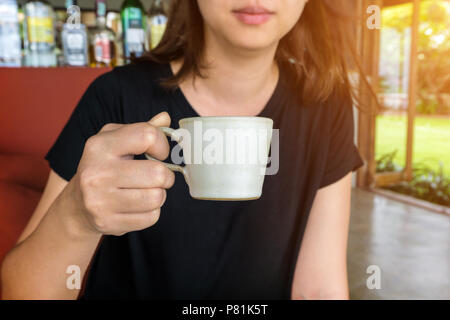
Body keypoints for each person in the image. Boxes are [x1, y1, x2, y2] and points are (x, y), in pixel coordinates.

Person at [2, 0, 366, 299]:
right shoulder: (114, 98)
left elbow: (319, 289)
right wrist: (76, 217)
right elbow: (22, 292)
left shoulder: (325, 106)